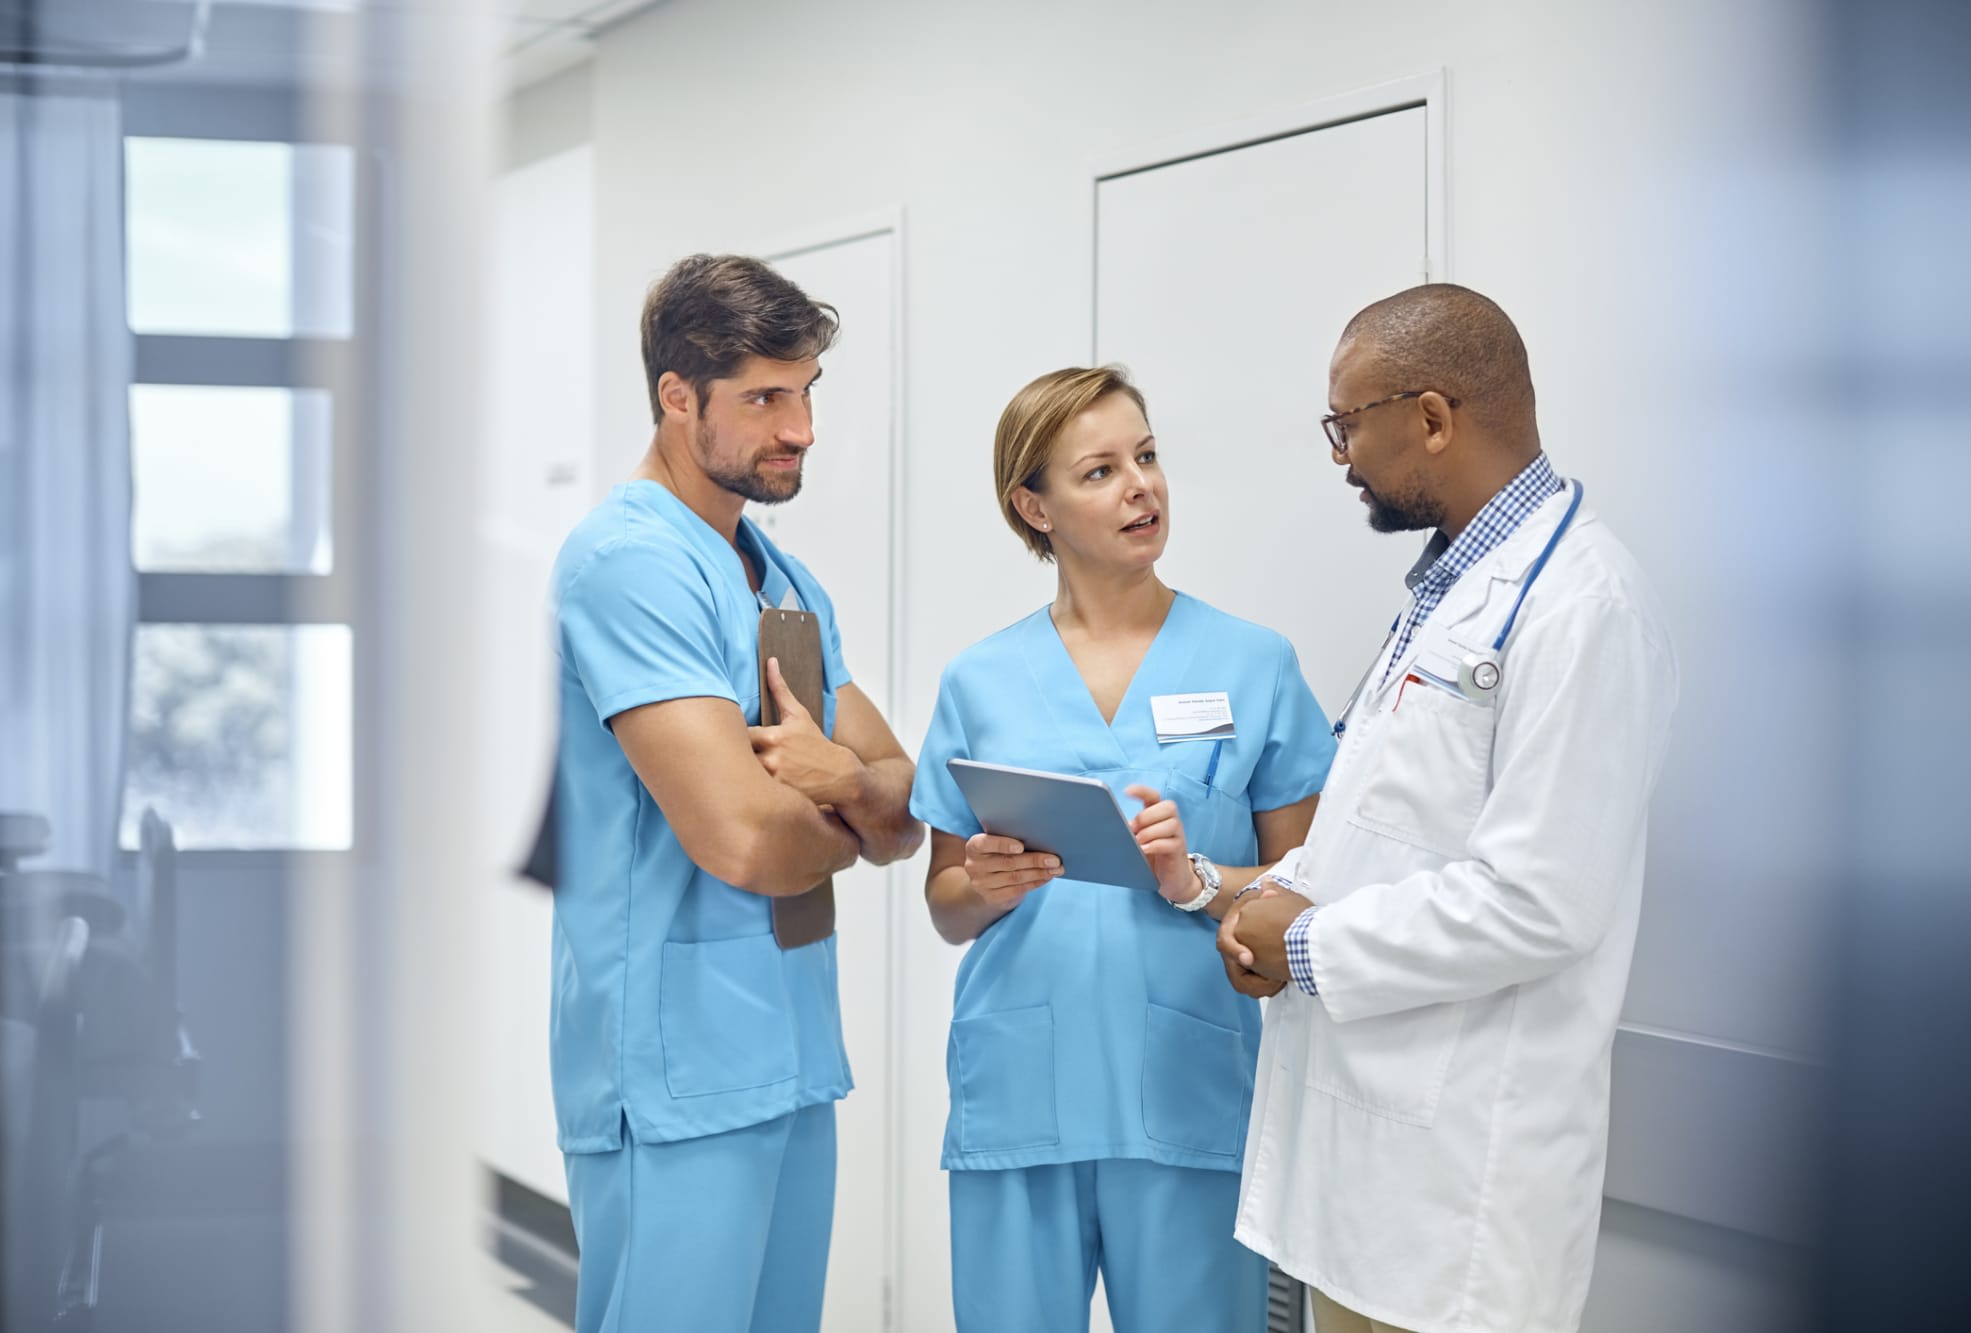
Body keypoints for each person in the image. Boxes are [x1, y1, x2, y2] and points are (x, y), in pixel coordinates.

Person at [1218, 284, 1680, 1333]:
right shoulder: (1446, 594)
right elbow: (1383, 824)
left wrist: (1307, 945)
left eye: (1347, 424)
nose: (1339, 457)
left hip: (1462, 1192)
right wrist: (1278, 897)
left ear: (1430, 417)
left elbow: (1538, 899)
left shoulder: (1581, 606)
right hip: (1366, 1170)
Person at [909, 365, 1337, 1333]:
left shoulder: (1251, 663)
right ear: (1034, 506)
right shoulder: (980, 680)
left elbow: (1306, 894)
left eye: (1145, 457)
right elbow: (942, 904)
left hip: (1186, 1090)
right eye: (1098, 470)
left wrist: (1198, 880)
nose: (1140, 486)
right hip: (1022, 1090)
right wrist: (980, 884)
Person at [547, 254, 922, 1333]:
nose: (797, 427)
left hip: (789, 1052)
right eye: (764, 397)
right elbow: (747, 841)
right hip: (674, 1068)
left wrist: (841, 784)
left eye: (804, 394)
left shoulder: (782, 580)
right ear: (677, 396)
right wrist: (853, 808)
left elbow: (902, 806)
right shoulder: (627, 565)